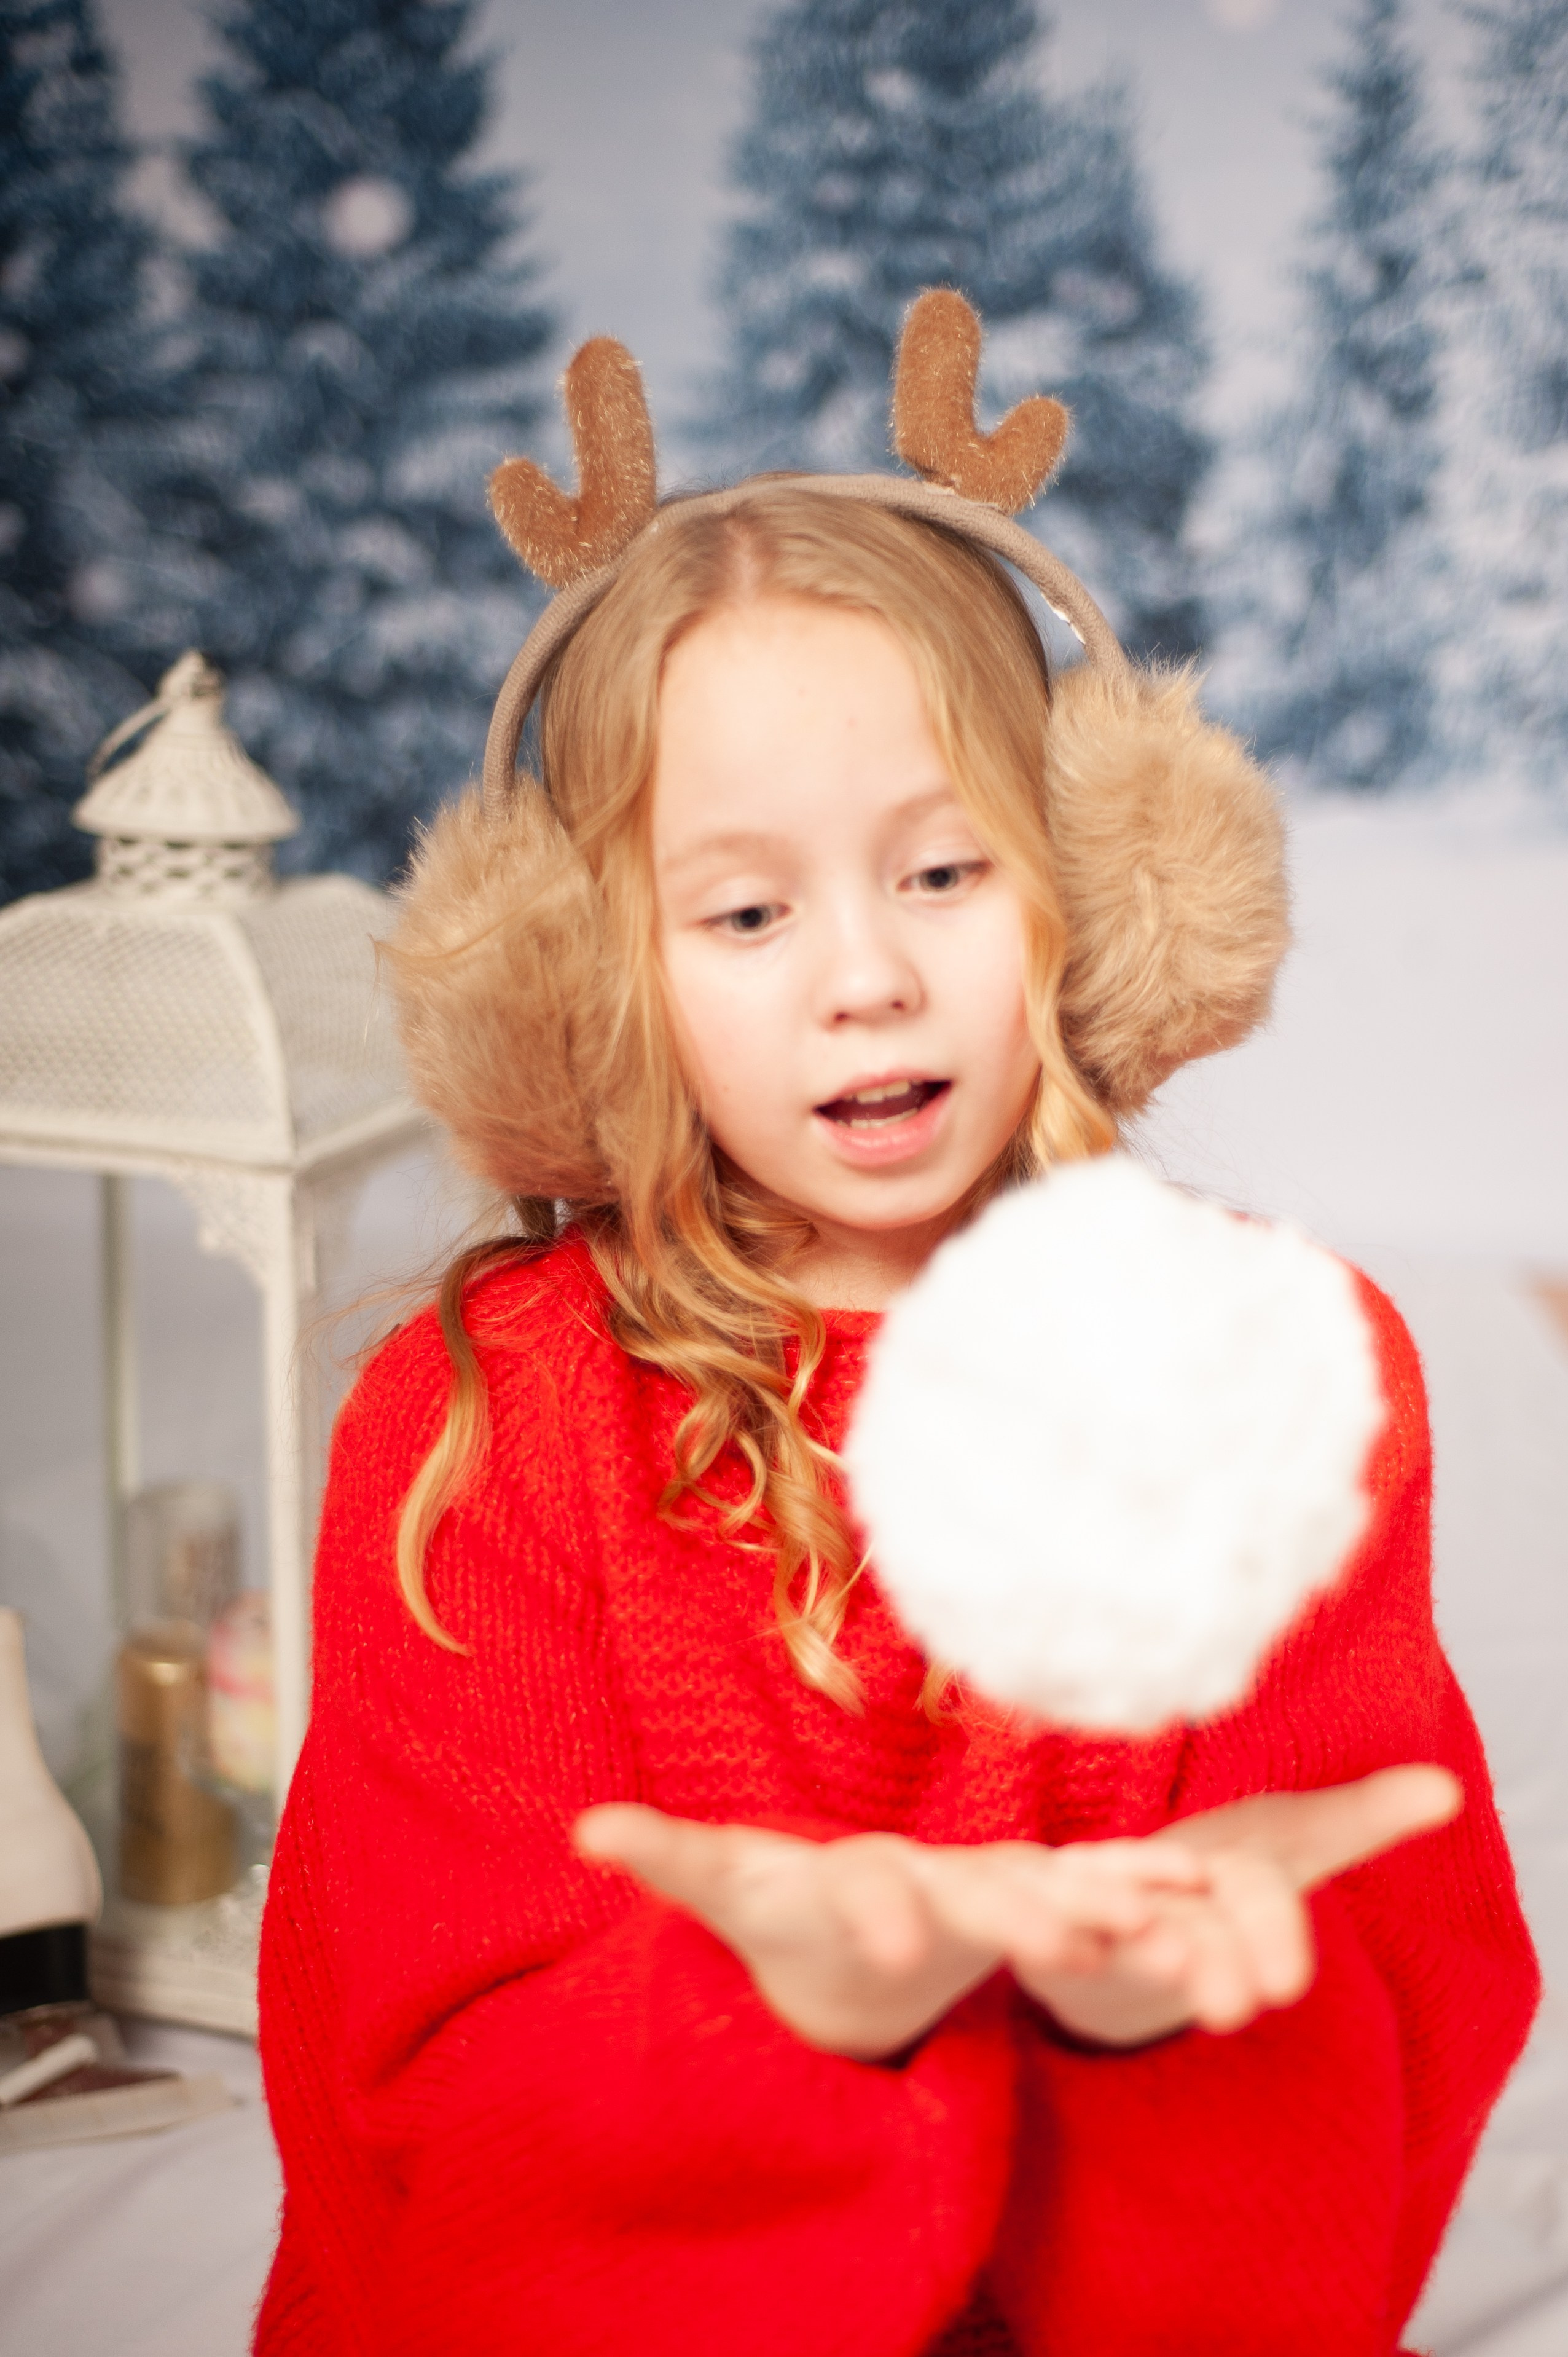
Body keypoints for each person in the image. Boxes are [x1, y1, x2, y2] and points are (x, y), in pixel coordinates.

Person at [254, 297, 1539, 2357]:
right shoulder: (478, 1423)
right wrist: (781, 2009)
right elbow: (421, 2081)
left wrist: (1153, 2012)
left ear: (1087, 890)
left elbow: (1397, 1973)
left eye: (943, 868)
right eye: (747, 911)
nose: (866, 976)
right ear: (589, 980)